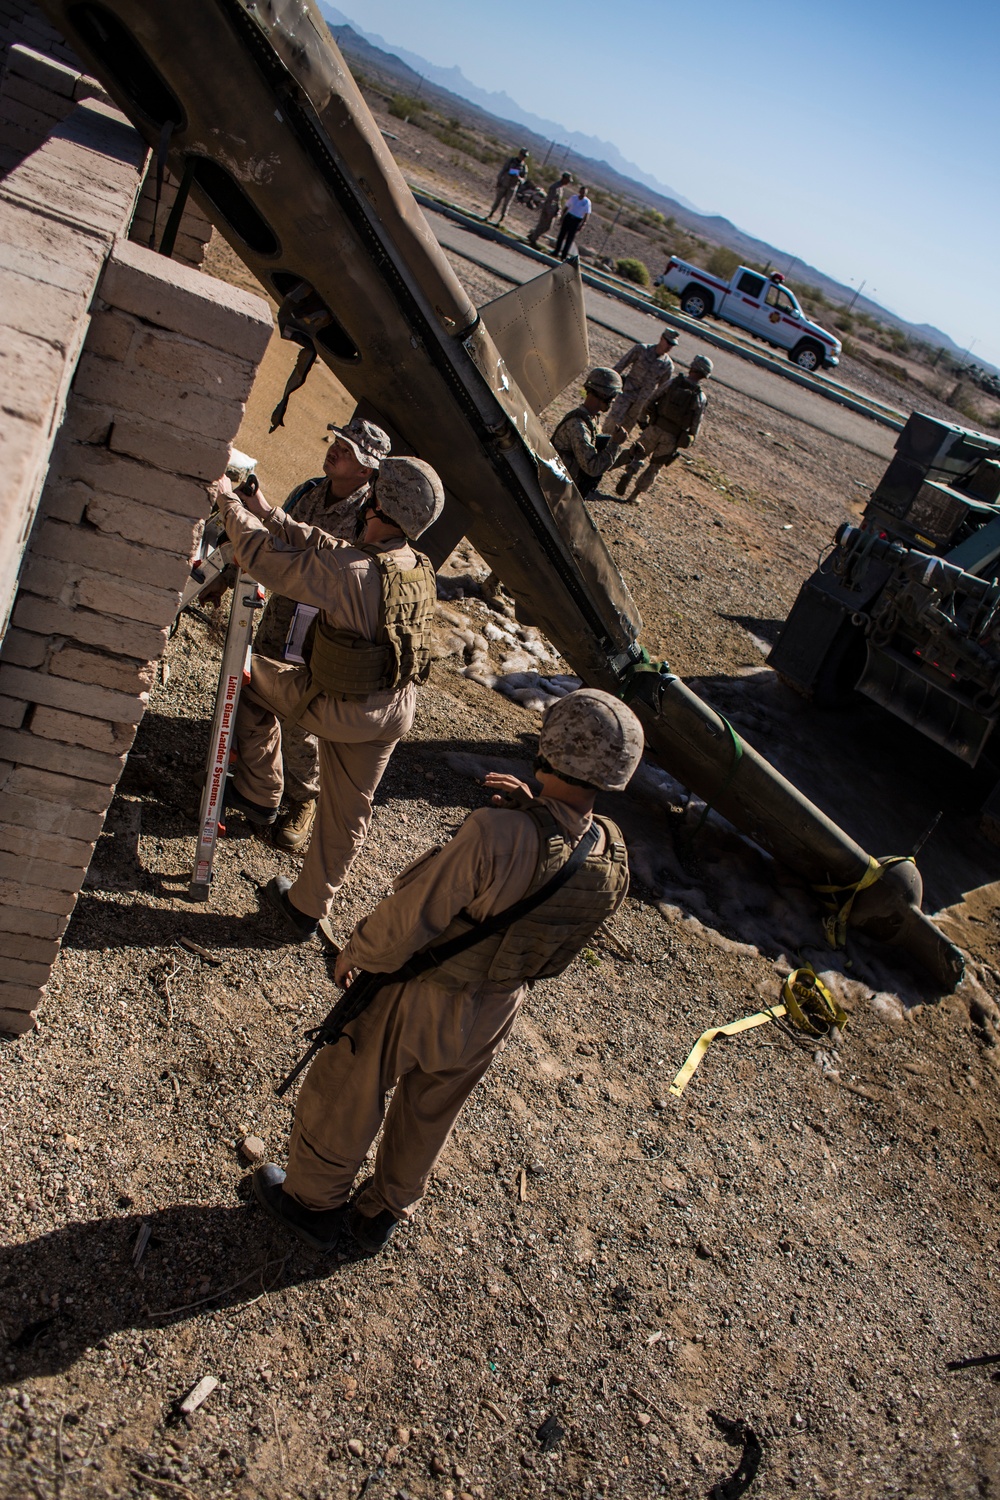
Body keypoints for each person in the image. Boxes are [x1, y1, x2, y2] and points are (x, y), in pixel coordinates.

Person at [251, 689, 643, 1256]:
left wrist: (356, 952)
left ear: (550, 746)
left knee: (347, 1089)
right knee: (430, 1113)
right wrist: (534, 806)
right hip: (499, 1006)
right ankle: (381, 1212)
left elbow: (413, 916)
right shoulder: (609, 850)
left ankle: (310, 1202)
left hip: (424, 994)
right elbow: (553, 867)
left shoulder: (494, 832)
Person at [215, 456, 444, 941]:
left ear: (379, 504)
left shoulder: (351, 572)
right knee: (348, 810)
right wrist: (267, 509)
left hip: (342, 707)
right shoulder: (415, 565)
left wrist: (227, 502)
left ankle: (259, 792)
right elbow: (329, 546)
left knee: (247, 672)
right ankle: (307, 907)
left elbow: (263, 559)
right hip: (393, 710)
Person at [253, 417, 392, 853]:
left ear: (365, 471)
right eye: (336, 441)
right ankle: (259, 783)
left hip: (318, 630)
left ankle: (303, 798)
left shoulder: (368, 516)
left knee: (300, 715)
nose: (335, 450)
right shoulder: (310, 491)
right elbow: (278, 535)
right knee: (254, 691)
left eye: (347, 451)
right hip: (280, 614)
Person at [615, 354, 713, 502]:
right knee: (655, 467)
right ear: (705, 375)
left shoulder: (673, 382)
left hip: (655, 426)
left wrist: (643, 419)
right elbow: (695, 424)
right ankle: (634, 496)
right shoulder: (700, 397)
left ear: (692, 367)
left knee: (639, 453)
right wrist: (688, 439)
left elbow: (652, 398)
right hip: (671, 438)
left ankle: (630, 472)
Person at [550, 366, 626, 497]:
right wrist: (615, 445)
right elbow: (593, 468)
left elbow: (600, 462)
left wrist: (628, 455)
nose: (614, 400)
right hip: (555, 491)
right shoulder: (578, 426)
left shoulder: (592, 421)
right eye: (613, 395)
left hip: (565, 491)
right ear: (603, 394)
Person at [602, 329, 680, 438]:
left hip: (641, 402)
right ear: (661, 338)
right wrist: (606, 383)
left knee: (625, 429)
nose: (669, 347)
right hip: (626, 393)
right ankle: (601, 442)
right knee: (612, 421)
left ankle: (612, 450)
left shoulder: (667, 365)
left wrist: (654, 409)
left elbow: (662, 390)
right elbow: (621, 365)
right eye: (668, 342)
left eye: (672, 345)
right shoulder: (642, 350)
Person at [528, 171, 572, 247]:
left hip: (553, 210)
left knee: (547, 227)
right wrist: (549, 211)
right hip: (548, 209)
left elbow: (557, 200)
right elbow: (550, 200)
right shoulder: (555, 187)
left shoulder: (560, 188)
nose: (568, 182)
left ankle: (533, 235)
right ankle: (533, 238)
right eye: (567, 180)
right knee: (543, 225)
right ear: (564, 178)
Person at [486, 148, 529, 224]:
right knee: (497, 200)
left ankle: (501, 220)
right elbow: (503, 170)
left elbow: (524, 180)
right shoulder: (511, 161)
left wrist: (519, 178)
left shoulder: (524, 167)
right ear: (519, 153)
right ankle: (490, 215)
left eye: (525, 156)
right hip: (504, 184)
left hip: (512, 187)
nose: (523, 157)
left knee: (506, 204)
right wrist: (499, 180)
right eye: (522, 155)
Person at [553, 184, 591, 260]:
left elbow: (587, 214)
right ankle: (556, 251)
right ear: (579, 191)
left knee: (569, 239)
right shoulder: (573, 198)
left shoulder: (587, 202)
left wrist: (583, 224)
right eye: (582, 191)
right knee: (561, 235)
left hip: (577, 220)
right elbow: (567, 207)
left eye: (584, 192)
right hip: (569, 217)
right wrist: (562, 217)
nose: (582, 193)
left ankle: (563, 255)